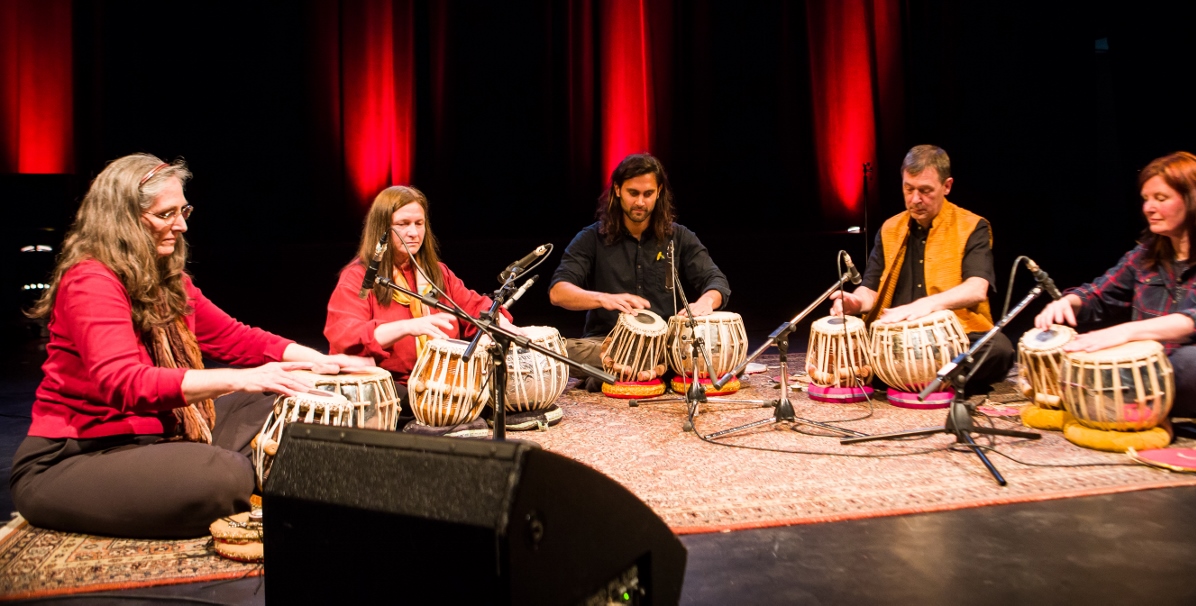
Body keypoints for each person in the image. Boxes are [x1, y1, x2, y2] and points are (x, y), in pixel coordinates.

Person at [10, 154, 368, 539]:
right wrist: (241, 379)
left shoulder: (166, 279)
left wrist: (323, 362)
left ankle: (229, 469)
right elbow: (126, 384)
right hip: (77, 456)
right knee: (223, 476)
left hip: (159, 435)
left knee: (287, 403)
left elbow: (234, 336)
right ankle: (230, 475)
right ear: (123, 219)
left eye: (183, 211)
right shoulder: (91, 281)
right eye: (166, 214)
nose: (180, 225)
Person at [1035, 152, 1196, 432]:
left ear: (1195, 199)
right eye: (1146, 199)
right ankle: (1125, 406)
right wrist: (1071, 302)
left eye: (1161, 198)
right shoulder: (1147, 254)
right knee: (1087, 360)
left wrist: (1126, 331)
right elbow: (1098, 293)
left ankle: (1121, 407)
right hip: (1163, 377)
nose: (1148, 208)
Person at [324, 185, 520, 422]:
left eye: (419, 223)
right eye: (403, 224)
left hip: (443, 383)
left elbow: (475, 308)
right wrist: (409, 326)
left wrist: (504, 327)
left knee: (506, 403)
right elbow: (345, 335)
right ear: (382, 229)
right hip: (390, 389)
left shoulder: (435, 273)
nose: (413, 232)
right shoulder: (359, 278)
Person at [830, 145, 1012, 394]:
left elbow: (977, 288)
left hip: (950, 340)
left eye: (925, 191)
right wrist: (854, 302)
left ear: (946, 186)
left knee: (999, 350)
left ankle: (898, 376)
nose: (915, 199)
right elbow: (870, 289)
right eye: (909, 189)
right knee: (843, 343)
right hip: (892, 340)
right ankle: (932, 378)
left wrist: (924, 305)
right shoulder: (890, 228)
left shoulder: (972, 226)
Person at [549, 153, 731, 383]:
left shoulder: (679, 237)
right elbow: (558, 292)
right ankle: (649, 369)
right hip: (607, 344)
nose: (640, 202)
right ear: (617, 190)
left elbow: (716, 281)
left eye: (648, 194)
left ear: (659, 192)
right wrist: (603, 298)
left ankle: (624, 371)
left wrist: (705, 302)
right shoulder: (591, 238)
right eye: (633, 193)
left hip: (666, 345)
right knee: (557, 352)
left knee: (716, 353)